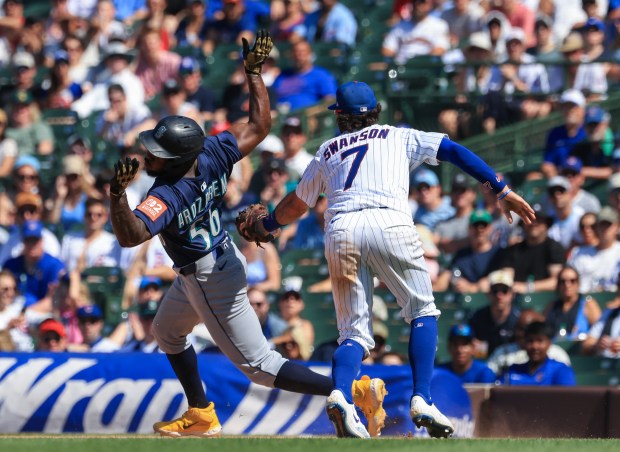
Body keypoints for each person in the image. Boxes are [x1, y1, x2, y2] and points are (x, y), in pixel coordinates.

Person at [106, 32, 385, 439]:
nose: (149, 156)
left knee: (261, 367)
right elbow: (260, 124)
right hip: (218, 259)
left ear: (177, 157)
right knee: (166, 331)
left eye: (157, 153)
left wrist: (116, 196)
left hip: (207, 277)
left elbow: (131, 236)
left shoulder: (169, 192)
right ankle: (200, 413)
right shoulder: (213, 154)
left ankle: (353, 392)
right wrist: (253, 73)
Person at [248, 80, 535, 438]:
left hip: (342, 228)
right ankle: (422, 398)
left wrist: (269, 224)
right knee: (422, 311)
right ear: (376, 113)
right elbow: (453, 150)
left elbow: (298, 203)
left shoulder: (327, 150)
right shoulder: (397, 136)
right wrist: (500, 188)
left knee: (352, 332)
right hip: (390, 222)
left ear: (340, 115)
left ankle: (340, 393)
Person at [487, 309, 571, 375]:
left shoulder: (557, 355)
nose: (523, 334)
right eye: (520, 328)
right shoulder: (502, 352)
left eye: (529, 330)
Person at [501, 321, 577, 386]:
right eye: (530, 341)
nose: (535, 346)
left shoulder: (560, 370)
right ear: (524, 343)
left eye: (540, 341)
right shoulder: (513, 370)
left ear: (549, 343)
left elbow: (568, 400)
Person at [469, 269, 521, 358]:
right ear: (488, 293)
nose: (499, 295)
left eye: (504, 290)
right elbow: (473, 348)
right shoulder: (477, 317)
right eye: (495, 290)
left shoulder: (519, 319)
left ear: (512, 294)